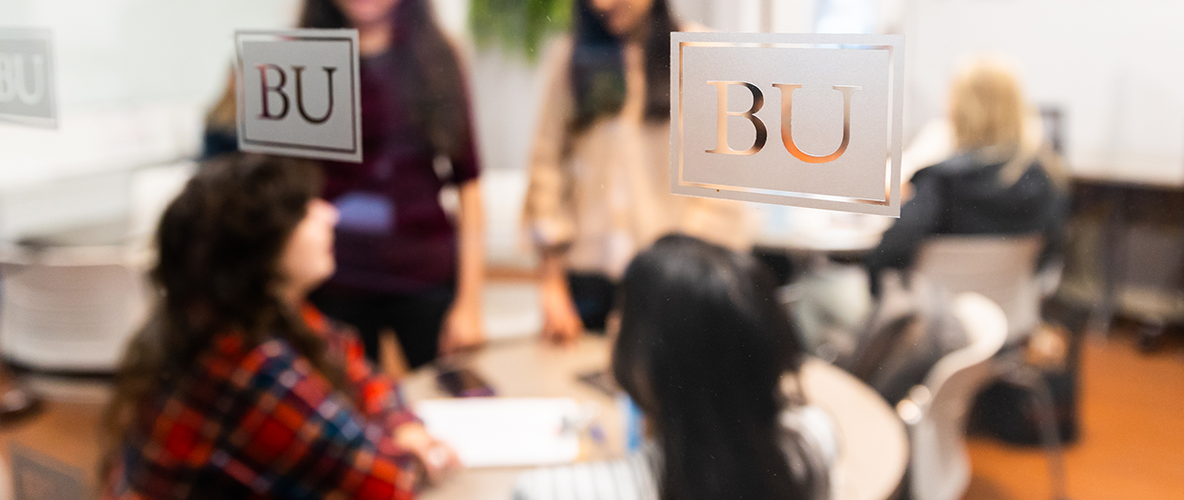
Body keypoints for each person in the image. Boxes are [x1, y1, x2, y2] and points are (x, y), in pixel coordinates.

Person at [101, 155, 457, 499]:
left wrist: (402, 427)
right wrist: (423, 455)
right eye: (304, 211)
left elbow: (363, 377)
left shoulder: (251, 315)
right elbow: (389, 483)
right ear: (262, 249)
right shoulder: (251, 362)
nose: (329, 214)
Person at [512, 235, 829, 500]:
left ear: (649, 365)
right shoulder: (815, 443)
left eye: (624, 312)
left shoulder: (550, 491)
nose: (612, 323)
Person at [524, 0, 752, 342]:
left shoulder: (700, 52)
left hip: (671, 282)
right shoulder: (571, 57)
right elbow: (546, 169)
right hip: (585, 281)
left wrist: (678, 273)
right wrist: (552, 284)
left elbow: (725, 185)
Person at [297, 0, 485, 369]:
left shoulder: (437, 57)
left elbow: (470, 187)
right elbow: (288, 190)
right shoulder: (303, 61)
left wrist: (470, 303)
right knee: (349, 415)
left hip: (425, 277)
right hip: (335, 281)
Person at [864, 56, 1070, 295]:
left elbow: (885, 257)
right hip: (1010, 314)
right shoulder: (1048, 179)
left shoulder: (940, 183)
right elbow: (1046, 258)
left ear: (959, 107)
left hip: (937, 322)